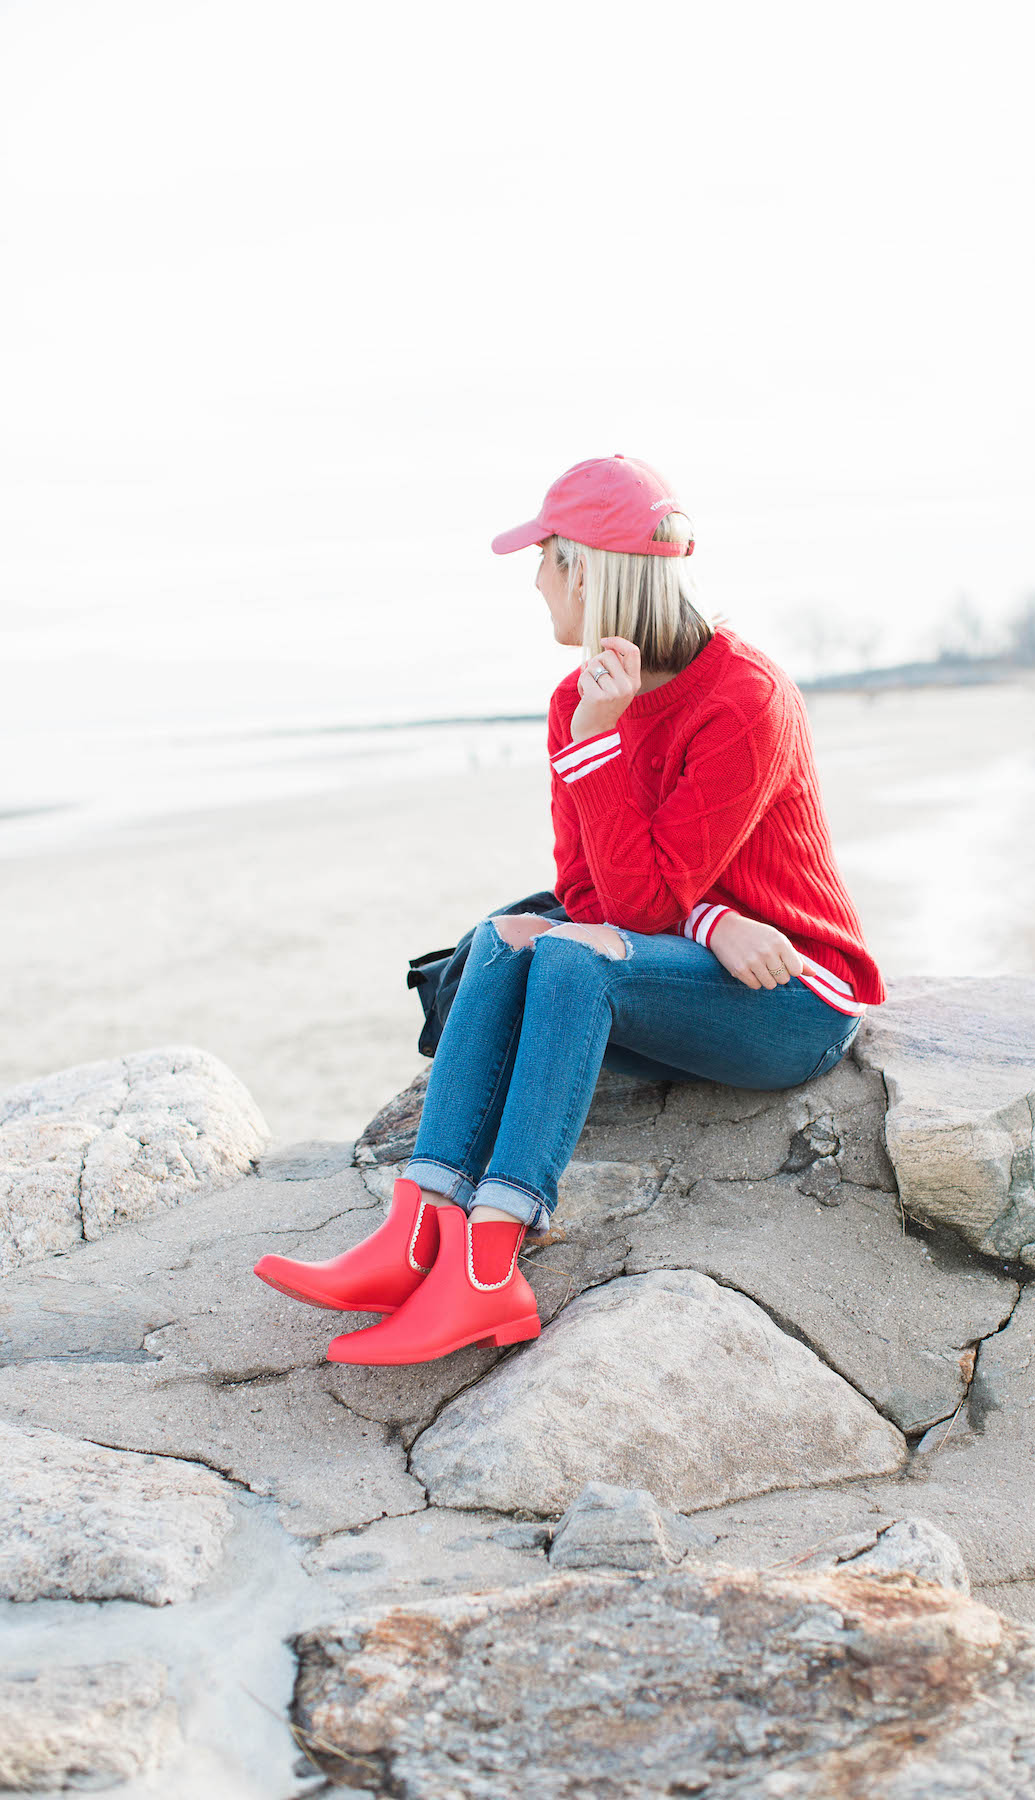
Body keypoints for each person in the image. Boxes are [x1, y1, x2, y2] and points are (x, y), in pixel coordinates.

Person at [254, 453, 886, 1366]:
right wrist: (707, 919)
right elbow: (595, 902)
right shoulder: (571, 701)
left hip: (793, 998)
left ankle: (488, 1264)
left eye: (545, 558)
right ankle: (419, 1237)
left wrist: (604, 750)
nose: (536, 581)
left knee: (567, 954)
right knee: (505, 942)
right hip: (691, 961)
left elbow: (622, 916)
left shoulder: (745, 698)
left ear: (585, 569)